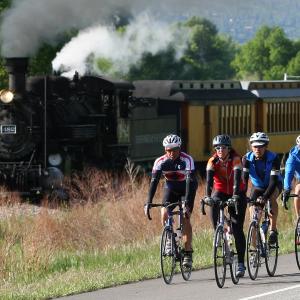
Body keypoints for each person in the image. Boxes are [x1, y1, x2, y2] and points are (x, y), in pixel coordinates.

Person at [144, 134, 198, 268]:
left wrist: (187, 203)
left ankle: (187, 252)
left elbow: (189, 180)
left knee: (185, 217)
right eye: (168, 150)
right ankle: (169, 237)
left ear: (179, 148)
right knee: (164, 212)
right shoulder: (160, 161)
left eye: (174, 149)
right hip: (171, 188)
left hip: (187, 188)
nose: (171, 153)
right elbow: (154, 181)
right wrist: (148, 202)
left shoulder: (187, 160)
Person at [203, 134, 247, 278]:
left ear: (228, 148)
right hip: (220, 191)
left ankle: (240, 263)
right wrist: (207, 196)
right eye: (217, 148)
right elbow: (209, 182)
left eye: (222, 147)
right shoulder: (212, 161)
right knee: (213, 207)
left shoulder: (236, 159)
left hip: (237, 191)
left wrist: (235, 196)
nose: (220, 150)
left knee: (237, 227)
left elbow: (236, 179)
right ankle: (220, 232)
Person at [242, 132, 282, 245]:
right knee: (254, 218)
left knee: (271, 199)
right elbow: (244, 180)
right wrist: (243, 195)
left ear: (266, 146)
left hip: (274, 184)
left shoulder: (274, 158)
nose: (257, 149)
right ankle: (254, 250)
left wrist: (265, 197)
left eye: (260, 146)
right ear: (251, 146)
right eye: (255, 146)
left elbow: (273, 181)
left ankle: (273, 230)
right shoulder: (246, 159)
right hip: (258, 186)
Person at [282, 135, 300, 218]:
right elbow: (289, 173)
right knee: (298, 191)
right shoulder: (294, 155)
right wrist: (287, 189)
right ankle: (298, 218)